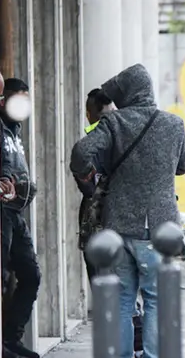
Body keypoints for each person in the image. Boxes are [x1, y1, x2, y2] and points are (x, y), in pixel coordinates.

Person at [70, 63, 185, 358]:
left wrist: (89, 176)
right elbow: (182, 167)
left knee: (122, 299)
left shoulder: (114, 123)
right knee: (156, 298)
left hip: (118, 226)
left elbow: (81, 153)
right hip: (159, 229)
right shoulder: (174, 124)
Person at [0, 78, 40, 358]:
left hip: (17, 213)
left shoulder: (15, 130)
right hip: (0, 212)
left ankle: (12, 340)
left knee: (31, 276)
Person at [75, 87, 116, 282]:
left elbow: (86, 187)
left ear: (88, 115)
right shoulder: (118, 142)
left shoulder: (86, 147)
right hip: (112, 221)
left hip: (95, 220)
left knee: (99, 281)